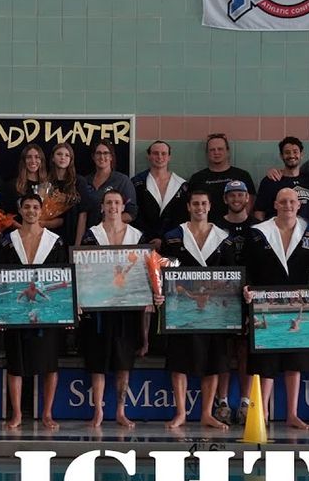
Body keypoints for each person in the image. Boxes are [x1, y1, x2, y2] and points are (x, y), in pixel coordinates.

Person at [242, 188, 309, 430]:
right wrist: (246, 290)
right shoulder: (257, 233)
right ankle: (260, 413)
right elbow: (247, 269)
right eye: (283, 201)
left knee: (295, 361)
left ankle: (292, 414)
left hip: (298, 304)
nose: (288, 205)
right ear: (275, 205)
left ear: (299, 205)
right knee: (265, 363)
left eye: (292, 201)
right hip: (264, 306)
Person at [160, 189, 237, 430]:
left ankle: (206, 413)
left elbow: (233, 275)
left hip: (214, 311)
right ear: (188, 207)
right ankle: (181, 413)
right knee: (179, 361)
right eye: (195, 203)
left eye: (204, 203)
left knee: (214, 361)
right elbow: (165, 272)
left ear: (210, 206)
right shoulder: (174, 237)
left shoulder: (224, 239)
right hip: (181, 309)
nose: (199, 207)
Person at [0, 192, 68, 430]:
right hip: (16, 311)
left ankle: (47, 413)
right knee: (15, 363)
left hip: (45, 311)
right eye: (26, 207)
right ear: (20, 210)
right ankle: (16, 413)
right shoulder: (7, 241)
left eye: (35, 207)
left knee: (49, 363)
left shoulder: (55, 241)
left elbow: (64, 275)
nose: (31, 211)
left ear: (41, 210)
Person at [79, 190, 147, 428]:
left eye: (117, 202)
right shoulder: (92, 235)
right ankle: (98, 411)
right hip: (99, 307)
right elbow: (83, 270)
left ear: (123, 206)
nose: (113, 207)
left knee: (123, 361)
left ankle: (120, 410)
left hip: (127, 308)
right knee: (97, 361)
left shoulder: (136, 236)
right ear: (102, 207)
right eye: (108, 203)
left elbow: (143, 274)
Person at [213, 179, 255, 423]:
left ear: (247, 198)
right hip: (222, 297)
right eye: (232, 195)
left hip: (249, 295)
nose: (236, 199)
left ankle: (246, 402)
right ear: (225, 199)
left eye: (241, 194)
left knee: (244, 350)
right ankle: (223, 402)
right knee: (223, 350)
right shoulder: (215, 227)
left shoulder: (258, 227)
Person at [132, 140, 189, 248]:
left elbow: (183, 217)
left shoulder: (181, 185)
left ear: (169, 157)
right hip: (143, 243)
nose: (159, 157)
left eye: (163, 153)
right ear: (149, 156)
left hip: (173, 243)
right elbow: (135, 216)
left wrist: (165, 239)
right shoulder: (137, 183)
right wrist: (148, 238)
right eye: (155, 153)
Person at [188, 133, 256, 221]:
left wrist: (238, 223)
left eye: (220, 149)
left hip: (235, 225)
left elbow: (250, 203)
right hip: (206, 226)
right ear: (207, 153)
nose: (216, 152)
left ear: (227, 151)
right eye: (212, 150)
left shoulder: (242, 175)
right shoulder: (197, 178)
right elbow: (192, 206)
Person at [254, 137, 309, 222]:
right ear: (281, 156)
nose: (291, 156)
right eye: (287, 152)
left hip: (306, 229)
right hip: (276, 229)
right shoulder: (271, 180)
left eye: (295, 152)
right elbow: (259, 212)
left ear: (301, 154)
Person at [81, 139, 138, 230]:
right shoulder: (85, 181)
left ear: (111, 157)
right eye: (98, 153)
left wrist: (107, 222)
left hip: (112, 233)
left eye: (106, 153)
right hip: (89, 234)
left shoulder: (122, 181)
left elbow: (131, 213)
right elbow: (81, 213)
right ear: (93, 157)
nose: (102, 157)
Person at [47, 143, 89, 246]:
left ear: (71, 159)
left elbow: (82, 215)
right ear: (53, 158)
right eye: (59, 154)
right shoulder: (46, 182)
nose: (63, 157)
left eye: (67, 155)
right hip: (49, 238)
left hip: (72, 236)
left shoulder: (79, 182)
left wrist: (77, 245)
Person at [0, 143, 51, 216]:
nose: (33, 161)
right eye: (29, 157)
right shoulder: (12, 186)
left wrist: (40, 223)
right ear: (23, 161)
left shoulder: (48, 187)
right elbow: (5, 215)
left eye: (37, 157)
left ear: (41, 161)